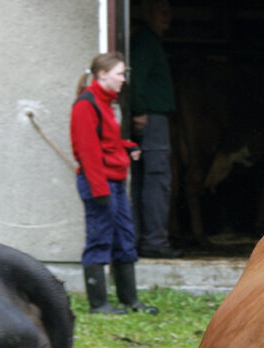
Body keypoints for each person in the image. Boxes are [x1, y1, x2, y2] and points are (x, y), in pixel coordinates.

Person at [70, 52, 158, 314]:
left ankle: (129, 301)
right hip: (100, 184)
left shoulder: (106, 103)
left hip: (114, 184)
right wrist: (100, 192)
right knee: (99, 239)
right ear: (102, 75)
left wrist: (126, 146)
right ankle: (99, 304)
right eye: (120, 74)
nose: (123, 79)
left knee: (124, 239)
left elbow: (105, 143)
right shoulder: (86, 105)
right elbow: (88, 153)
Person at [130, 0, 182, 258]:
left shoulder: (146, 40)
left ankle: (143, 239)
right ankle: (155, 242)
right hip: (151, 118)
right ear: (147, 13)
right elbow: (135, 78)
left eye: (169, 12)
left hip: (150, 116)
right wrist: (139, 111)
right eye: (162, 12)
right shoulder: (147, 41)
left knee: (145, 179)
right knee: (157, 178)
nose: (167, 18)